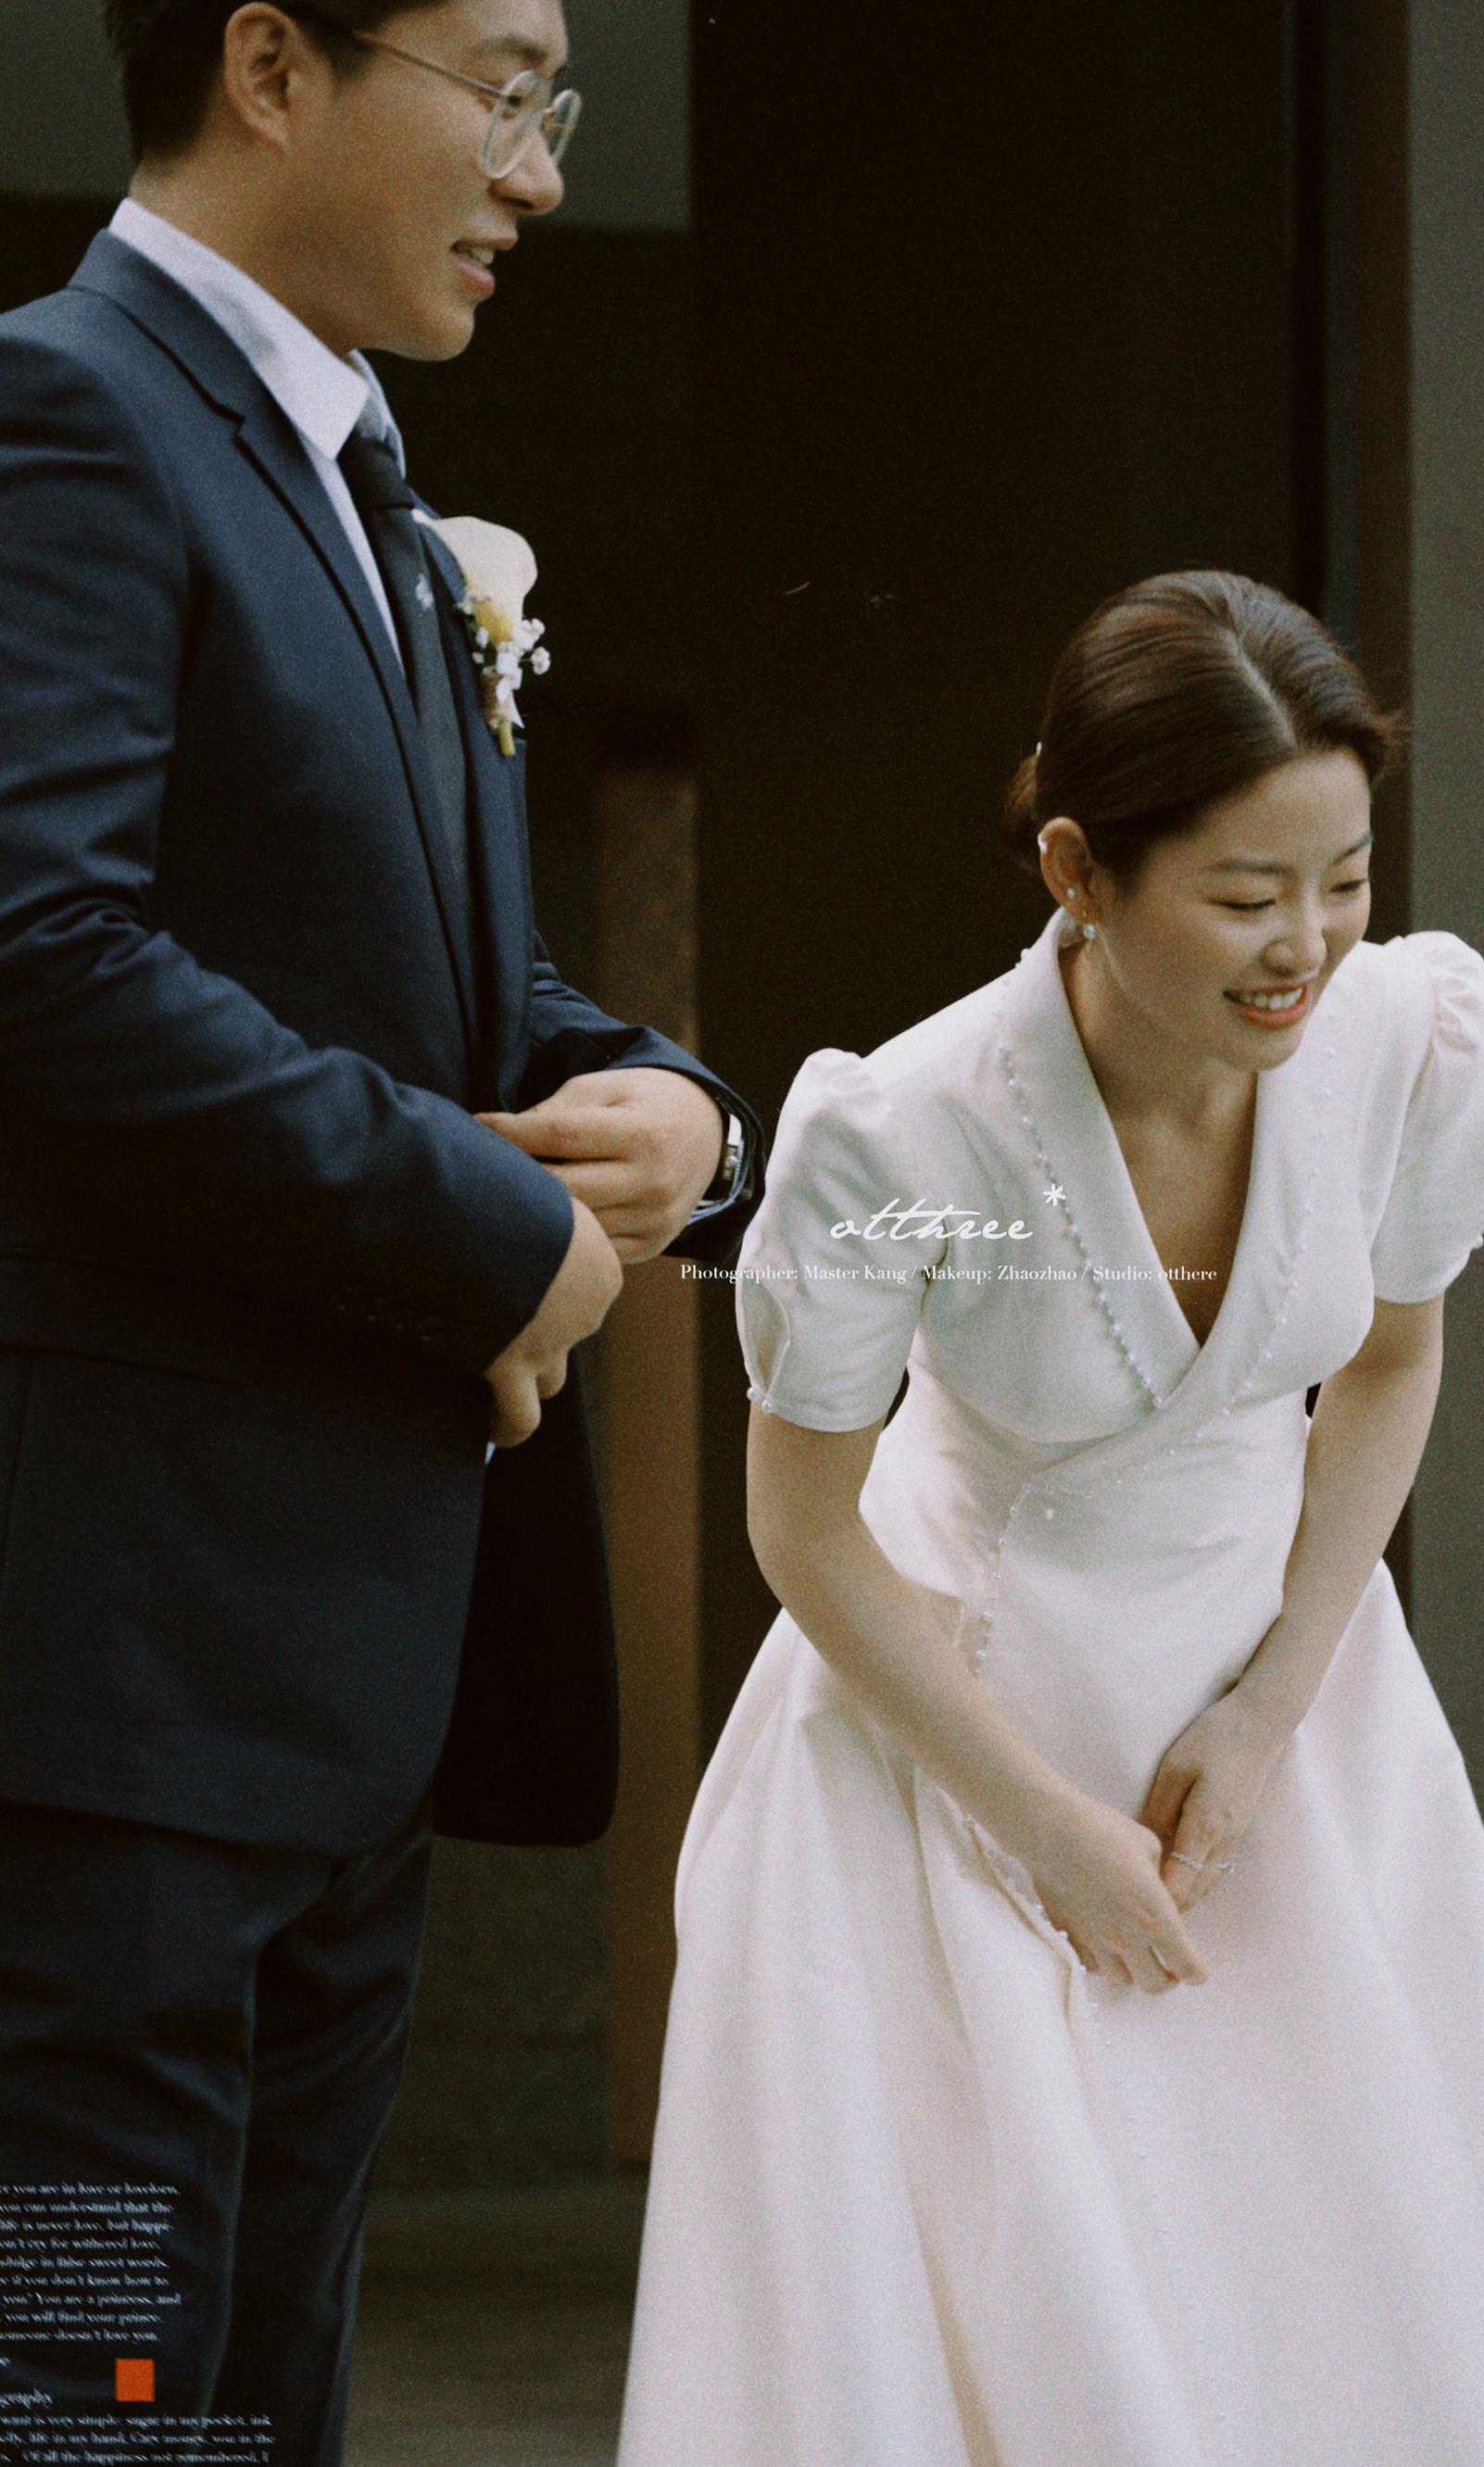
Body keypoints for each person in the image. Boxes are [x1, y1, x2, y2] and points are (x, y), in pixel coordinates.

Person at [620, 573, 1484, 2466]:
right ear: (1076, 867)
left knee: (1340, 2289)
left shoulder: (1405, 1039)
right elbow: (805, 1532)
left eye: (1344, 880)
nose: (1305, 946)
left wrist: (1270, 1706)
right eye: (1245, 898)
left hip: (1291, 1711)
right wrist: (1047, 1833)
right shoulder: (908, 1129)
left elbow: (1390, 1359)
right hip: (951, 1736)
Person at [0, 5, 757, 2461]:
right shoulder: (66, 412)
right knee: (91, 2390)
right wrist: (486, 1234)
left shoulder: (374, 487)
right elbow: (38, 951)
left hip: (344, 1677)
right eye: (508, 87)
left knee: (259, 2394)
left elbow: (450, 989)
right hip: (118, 1675)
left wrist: (670, 1112)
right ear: (269, 60)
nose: (541, 169)